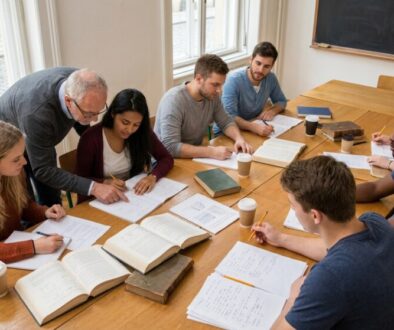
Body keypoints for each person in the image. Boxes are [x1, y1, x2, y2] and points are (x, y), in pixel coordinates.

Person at [252, 156, 394, 329]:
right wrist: (281, 239)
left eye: (292, 205)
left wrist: (293, 299)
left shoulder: (330, 278)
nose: (292, 209)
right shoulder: (375, 222)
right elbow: (333, 249)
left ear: (315, 215)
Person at [0, 67, 126, 206]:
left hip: (33, 128)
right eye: (89, 114)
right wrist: (94, 187)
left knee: (52, 200)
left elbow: (82, 118)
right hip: (9, 142)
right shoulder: (38, 115)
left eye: (98, 111)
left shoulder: (79, 81)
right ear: (68, 101)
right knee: (22, 200)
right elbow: (43, 170)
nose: (94, 119)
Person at [76, 89, 174, 204]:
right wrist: (104, 182)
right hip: (99, 201)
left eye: (136, 125)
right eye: (125, 122)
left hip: (132, 197)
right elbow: (79, 180)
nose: (130, 130)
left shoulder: (142, 132)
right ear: (113, 113)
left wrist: (152, 177)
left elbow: (166, 158)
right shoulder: (91, 138)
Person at [154, 54, 253, 159]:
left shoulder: (212, 96)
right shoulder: (173, 101)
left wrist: (239, 139)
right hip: (166, 161)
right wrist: (211, 152)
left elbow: (226, 122)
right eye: (215, 85)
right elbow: (170, 147)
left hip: (194, 157)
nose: (220, 90)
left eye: (221, 84)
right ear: (198, 78)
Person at [0, 121, 66, 263]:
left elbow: (23, 205)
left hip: (19, 248)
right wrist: (34, 246)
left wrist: (44, 212)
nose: (24, 162)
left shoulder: (13, 174)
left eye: (22, 155)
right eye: (16, 159)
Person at [216, 41, 287, 136]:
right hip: (226, 133)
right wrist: (253, 127)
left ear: (272, 66)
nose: (260, 70)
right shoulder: (234, 81)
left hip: (252, 128)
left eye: (266, 66)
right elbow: (229, 116)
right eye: (258, 63)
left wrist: (273, 111)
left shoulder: (271, 78)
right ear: (251, 60)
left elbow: (281, 101)